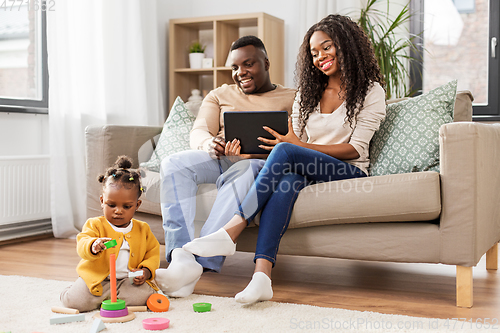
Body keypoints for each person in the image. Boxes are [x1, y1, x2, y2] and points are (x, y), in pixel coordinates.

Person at [182, 14, 387, 305]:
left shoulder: (370, 91)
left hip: (348, 170)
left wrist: (299, 146)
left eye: (327, 47)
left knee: (288, 151)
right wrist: (246, 154)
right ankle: (261, 277)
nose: (320, 57)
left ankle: (232, 228)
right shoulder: (308, 93)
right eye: (314, 53)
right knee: (287, 180)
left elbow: (355, 149)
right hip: (307, 168)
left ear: (346, 45)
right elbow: (287, 150)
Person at [155, 35, 296, 297]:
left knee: (249, 168)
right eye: (234, 67)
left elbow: (299, 143)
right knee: (173, 163)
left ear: (266, 63)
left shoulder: (292, 97)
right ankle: (180, 258)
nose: (240, 72)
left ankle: (197, 257)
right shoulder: (219, 94)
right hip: (219, 159)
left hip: (257, 165)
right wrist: (209, 144)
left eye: (248, 64)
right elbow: (199, 130)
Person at [60, 156, 160, 312]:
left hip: (127, 281)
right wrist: (93, 245)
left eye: (127, 206)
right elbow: (82, 243)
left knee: (143, 298)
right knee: (74, 302)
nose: (118, 211)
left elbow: (153, 254)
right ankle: (76, 291)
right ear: (102, 201)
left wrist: (146, 271)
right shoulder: (94, 224)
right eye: (111, 205)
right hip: (98, 279)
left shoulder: (143, 229)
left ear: (137, 205)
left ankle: (111, 298)